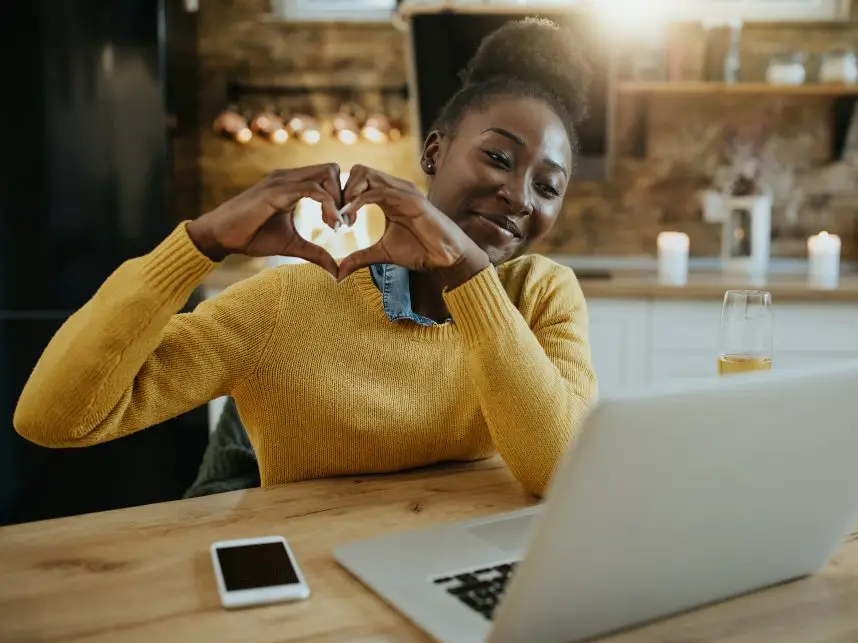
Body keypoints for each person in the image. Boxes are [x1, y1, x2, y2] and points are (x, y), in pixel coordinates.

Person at [13, 18, 597, 497]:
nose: (520, 196)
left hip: (449, 570)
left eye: (548, 187)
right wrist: (201, 242)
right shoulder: (285, 308)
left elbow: (560, 471)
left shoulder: (542, 294)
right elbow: (53, 419)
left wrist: (466, 273)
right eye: (498, 158)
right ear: (434, 152)